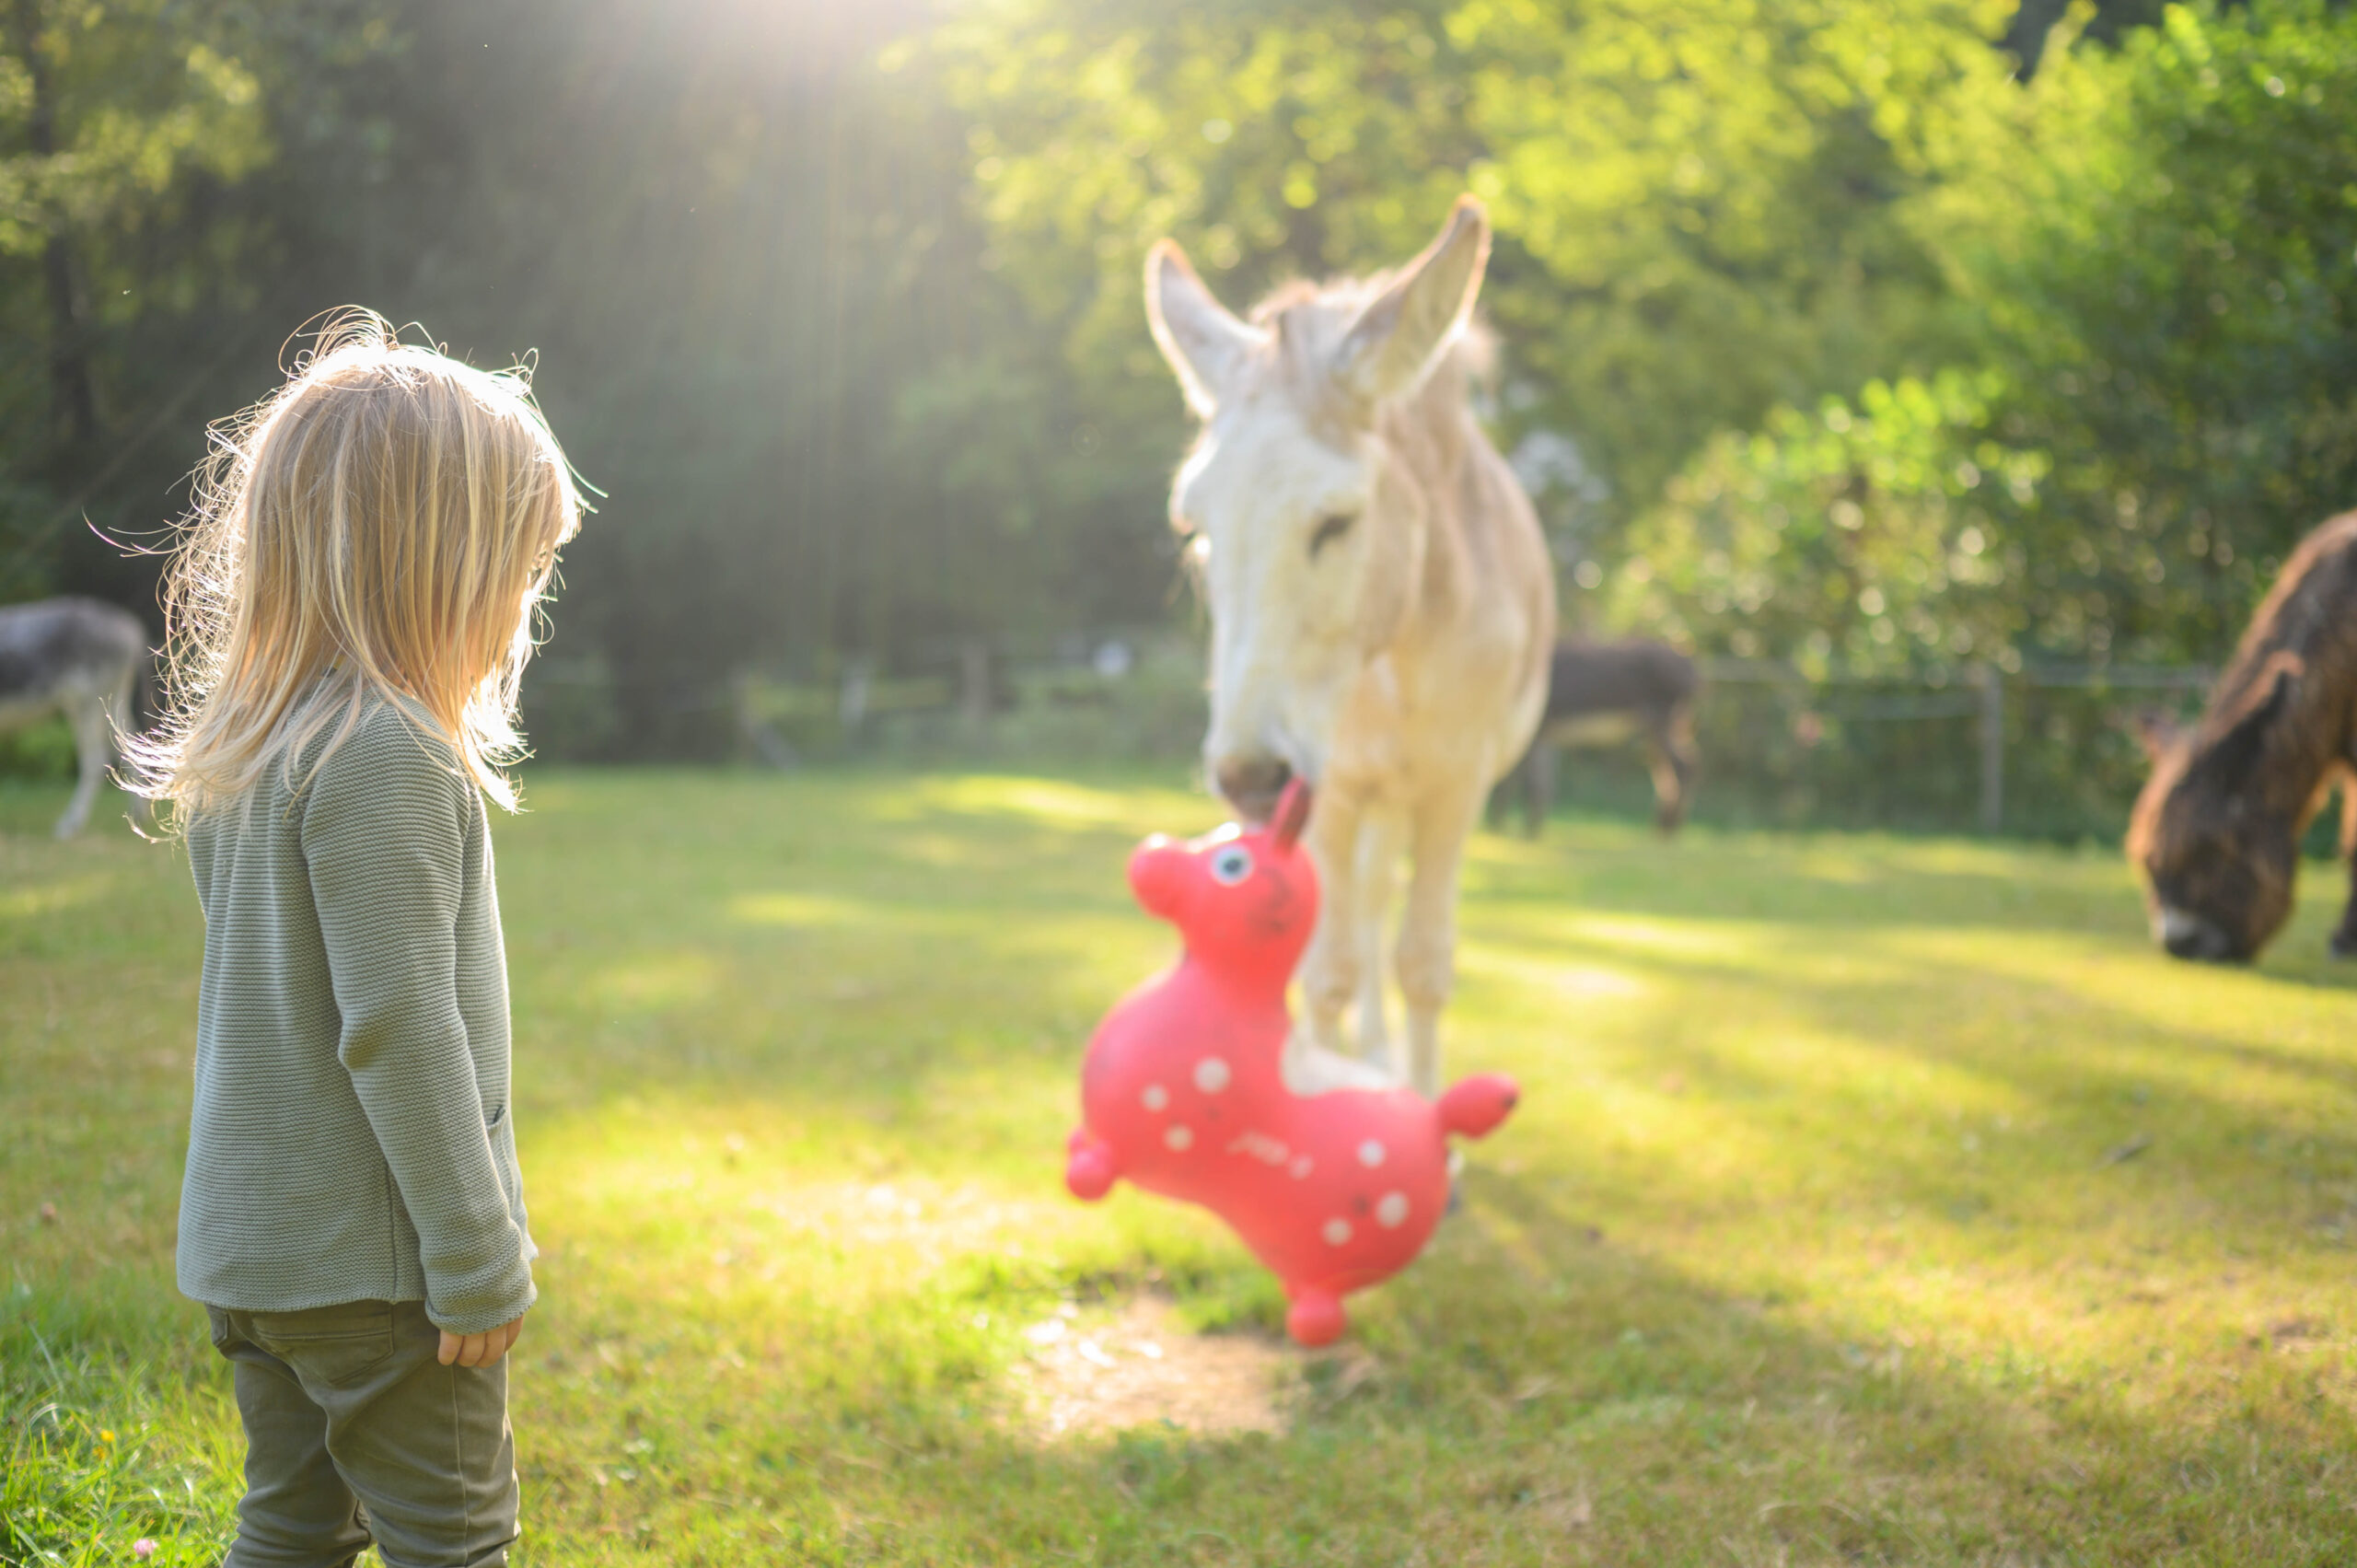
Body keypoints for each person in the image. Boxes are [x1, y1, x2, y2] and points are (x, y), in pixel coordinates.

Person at [129, 311, 584, 1568]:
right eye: (519, 572)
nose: (523, 612)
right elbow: (396, 1028)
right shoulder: (384, 751)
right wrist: (478, 1256)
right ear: (437, 563)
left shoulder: (251, 751)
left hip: (254, 1251)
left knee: (290, 1530)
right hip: (380, 1271)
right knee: (453, 1540)